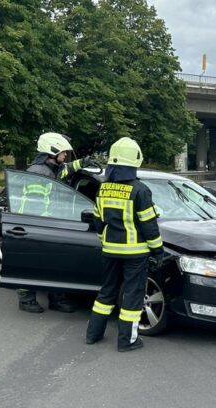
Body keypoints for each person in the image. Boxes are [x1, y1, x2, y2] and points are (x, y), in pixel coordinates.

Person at [85, 137, 163, 352]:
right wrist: (157, 250)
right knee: (132, 295)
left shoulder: (103, 189)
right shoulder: (140, 190)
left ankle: (93, 334)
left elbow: (98, 220)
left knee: (106, 292)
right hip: (135, 253)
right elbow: (149, 226)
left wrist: (104, 241)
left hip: (110, 250)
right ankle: (126, 341)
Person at [17, 132, 99, 313]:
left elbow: (66, 169)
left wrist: (83, 163)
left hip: (51, 226)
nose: (65, 156)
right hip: (38, 226)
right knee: (32, 265)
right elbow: (34, 206)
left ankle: (56, 299)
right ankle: (26, 299)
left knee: (54, 263)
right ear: (52, 151)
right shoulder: (39, 173)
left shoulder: (51, 169)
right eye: (63, 153)